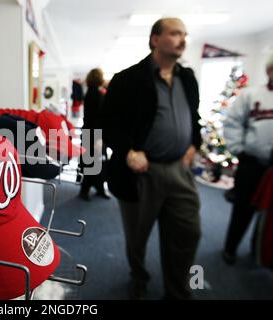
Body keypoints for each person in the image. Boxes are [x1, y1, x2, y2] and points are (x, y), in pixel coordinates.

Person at [102, 17, 202, 299]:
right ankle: (139, 276)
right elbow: (109, 126)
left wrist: (195, 144)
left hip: (180, 169)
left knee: (187, 231)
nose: (182, 39)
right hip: (141, 173)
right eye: (174, 33)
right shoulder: (127, 80)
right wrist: (129, 151)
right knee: (137, 236)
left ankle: (177, 290)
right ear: (155, 39)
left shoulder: (188, 78)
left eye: (185, 34)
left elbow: (194, 117)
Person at [222, 54, 273, 265]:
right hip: (252, 163)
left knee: (269, 215)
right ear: (269, 71)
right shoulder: (250, 95)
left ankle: (258, 250)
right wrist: (238, 150)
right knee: (243, 209)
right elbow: (232, 122)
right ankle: (230, 248)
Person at [79, 68, 110, 201]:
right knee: (93, 164)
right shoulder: (96, 94)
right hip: (94, 135)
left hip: (90, 132)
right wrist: (98, 139)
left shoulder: (91, 93)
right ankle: (85, 191)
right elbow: (97, 118)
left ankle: (99, 189)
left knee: (95, 163)